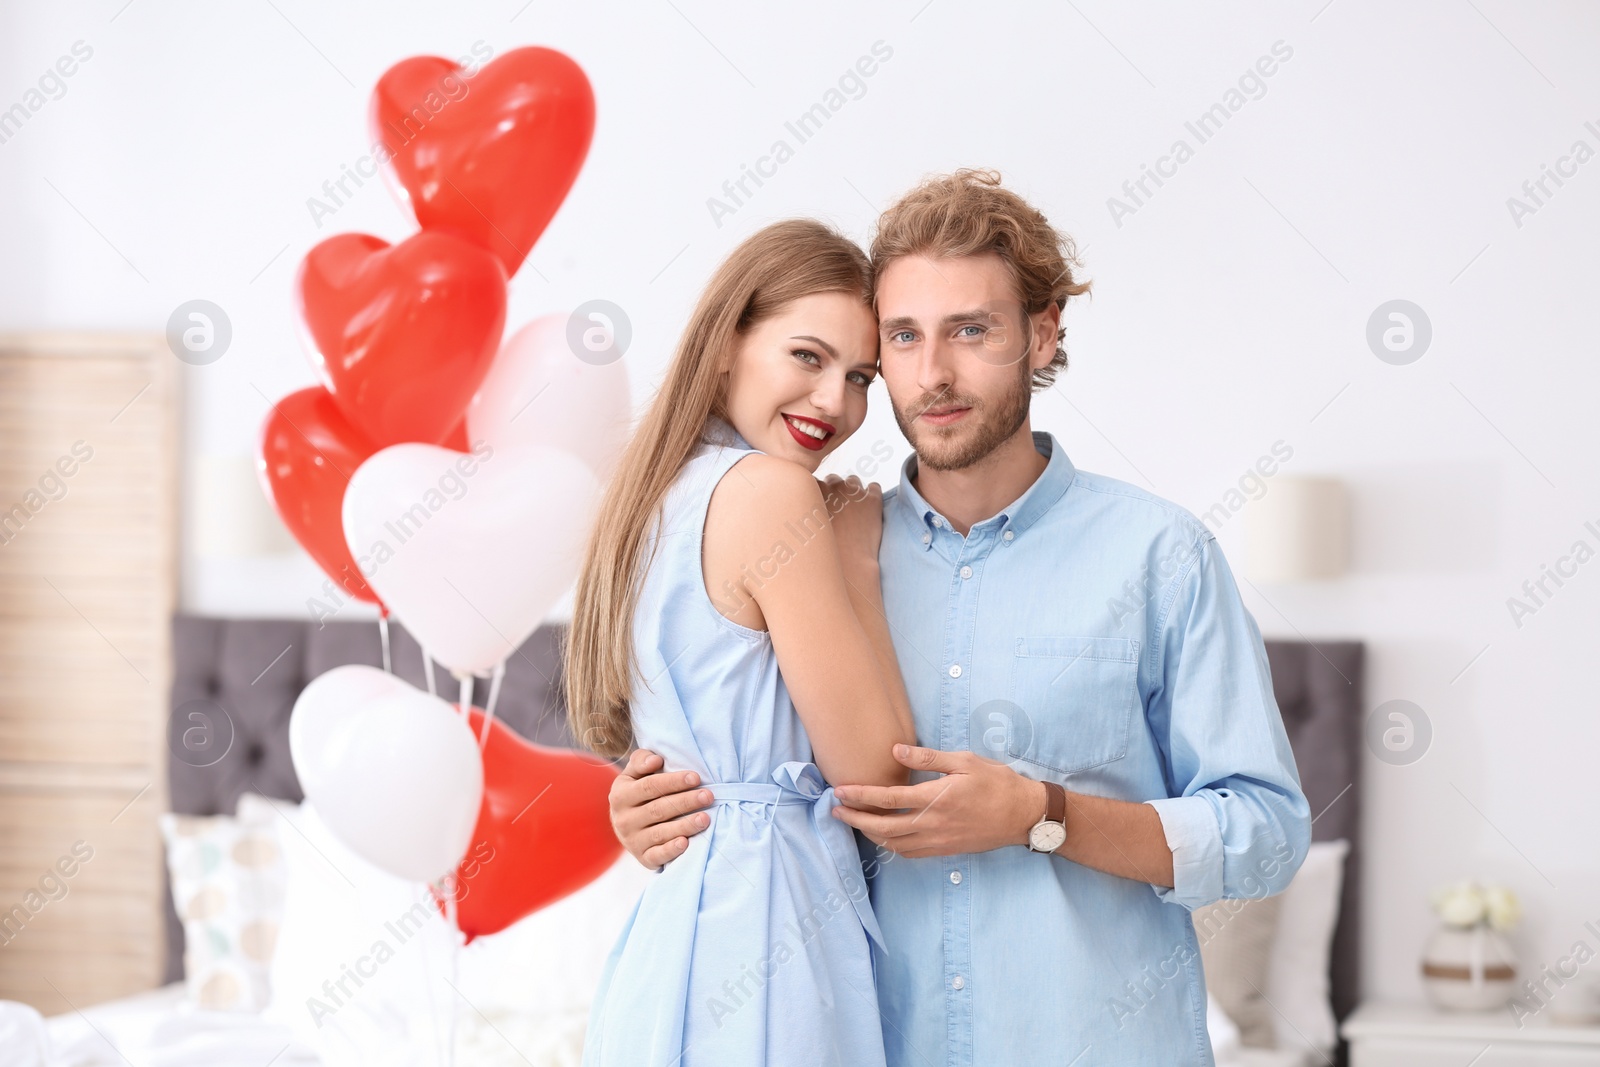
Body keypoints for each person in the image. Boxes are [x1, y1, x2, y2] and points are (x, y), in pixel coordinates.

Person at [608, 170, 1313, 1066]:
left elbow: (1266, 834)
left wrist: (1042, 814)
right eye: (902, 337)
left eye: (971, 331)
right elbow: (753, 764)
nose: (932, 374)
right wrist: (651, 807)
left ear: (1043, 332)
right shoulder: (815, 555)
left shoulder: (1160, 555)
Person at [566, 218, 919, 1067]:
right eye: (808, 356)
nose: (836, 402)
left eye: (860, 375)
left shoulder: (651, 498)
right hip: (769, 937)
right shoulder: (771, 494)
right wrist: (857, 562)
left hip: (680, 937)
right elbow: (880, 777)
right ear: (727, 344)